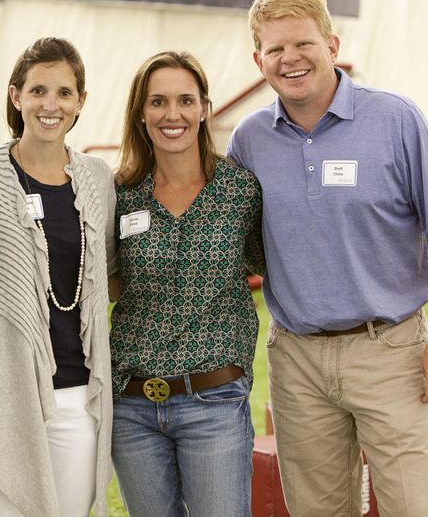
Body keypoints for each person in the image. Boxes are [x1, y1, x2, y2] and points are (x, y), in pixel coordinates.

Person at [227, 0, 428, 517]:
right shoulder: (248, 140)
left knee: (411, 508)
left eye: (303, 44)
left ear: (332, 45)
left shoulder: (395, 120)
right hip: (297, 360)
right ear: (258, 60)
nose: (289, 59)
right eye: (275, 50)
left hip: (391, 354)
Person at [0, 37, 116, 517]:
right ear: (16, 96)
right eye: (39, 91)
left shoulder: (98, 179)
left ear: (81, 102)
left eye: (65, 93)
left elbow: (106, 274)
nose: (51, 105)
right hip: (3, 394)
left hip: (76, 392)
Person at [110, 51, 264, 517]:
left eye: (184, 100)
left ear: (204, 108)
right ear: (141, 112)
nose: (171, 114)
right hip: (132, 407)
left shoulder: (241, 190)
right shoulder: (118, 194)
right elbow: (108, 282)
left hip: (214, 402)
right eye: (157, 101)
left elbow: (278, 264)